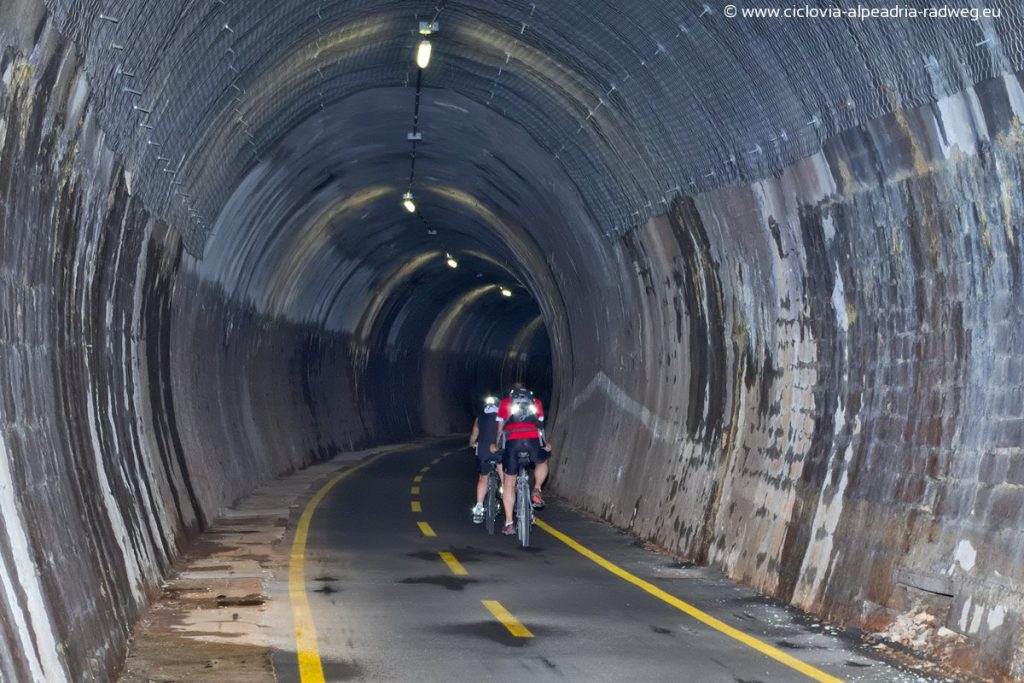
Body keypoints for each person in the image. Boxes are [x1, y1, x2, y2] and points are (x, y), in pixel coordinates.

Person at [490, 383, 552, 535]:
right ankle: (537, 489)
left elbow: (500, 428)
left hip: (512, 443)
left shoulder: (505, 403)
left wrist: (498, 446)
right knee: (542, 461)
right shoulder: (536, 402)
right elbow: (540, 427)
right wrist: (545, 445)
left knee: (509, 482)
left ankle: (509, 522)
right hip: (532, 441)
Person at [468, 396, 501, 523]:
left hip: (483, 451)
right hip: (498, 450)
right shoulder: (502, 416)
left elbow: (474, 434)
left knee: (483, 478)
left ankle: (479, 507)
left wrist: (472, 444)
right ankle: (507, 496)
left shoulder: (480, 417)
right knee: (506, 478)